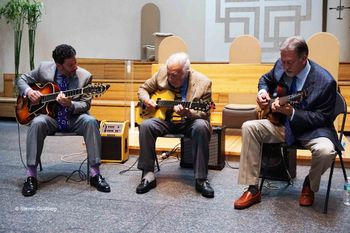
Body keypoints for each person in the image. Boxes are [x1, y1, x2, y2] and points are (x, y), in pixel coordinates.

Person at [233, 36, 341, 209]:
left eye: (289, 63)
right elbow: (265, 79)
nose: (285, 67)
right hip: (284, 126)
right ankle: (252, 188)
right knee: (249, 127)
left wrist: (293, 113)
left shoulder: (325, 82)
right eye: (283, 61)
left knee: (326, 151)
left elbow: (323, 118)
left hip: (313, 130)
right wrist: (262, 92)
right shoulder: (281, 65)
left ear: (303, 59)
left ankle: (309, 185)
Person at [17, 44, 111, 196]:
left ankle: (95, 174)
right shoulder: (43, 69)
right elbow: (21, 80)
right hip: (50, 118)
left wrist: (70, 104)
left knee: (91, 121)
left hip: (74, 118)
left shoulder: (85, 76)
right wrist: (29, 92)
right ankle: (31, 176)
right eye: (70, 65)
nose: (75, 67)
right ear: (59, 65)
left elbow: (85, 104)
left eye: (75, 62)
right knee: (37, 123)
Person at [136, 52, 214, 198]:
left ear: (187, 73)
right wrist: (147, 101)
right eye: (169, 73)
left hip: (189, 121)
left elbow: (206, 112)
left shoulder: (204, 83)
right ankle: (148, 174)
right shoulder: (162, 74)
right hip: (165, 121)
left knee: (201, 126)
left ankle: (201, 179)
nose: (170, 78)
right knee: (146, 126)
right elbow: (143, 89)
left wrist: (188, 113)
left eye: (175, 75)